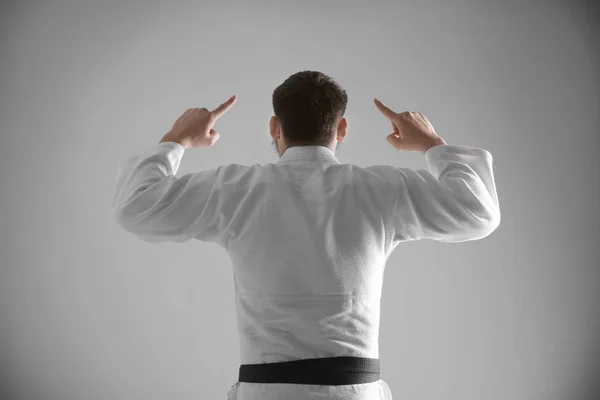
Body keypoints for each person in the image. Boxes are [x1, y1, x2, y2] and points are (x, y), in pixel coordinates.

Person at [113, 70, 501, 400]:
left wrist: (177, 139)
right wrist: (432, 145)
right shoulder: (383, 188)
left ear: (274, 127)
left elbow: (136, 207)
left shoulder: (234, 188)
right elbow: (478, 213)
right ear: (342, 128)